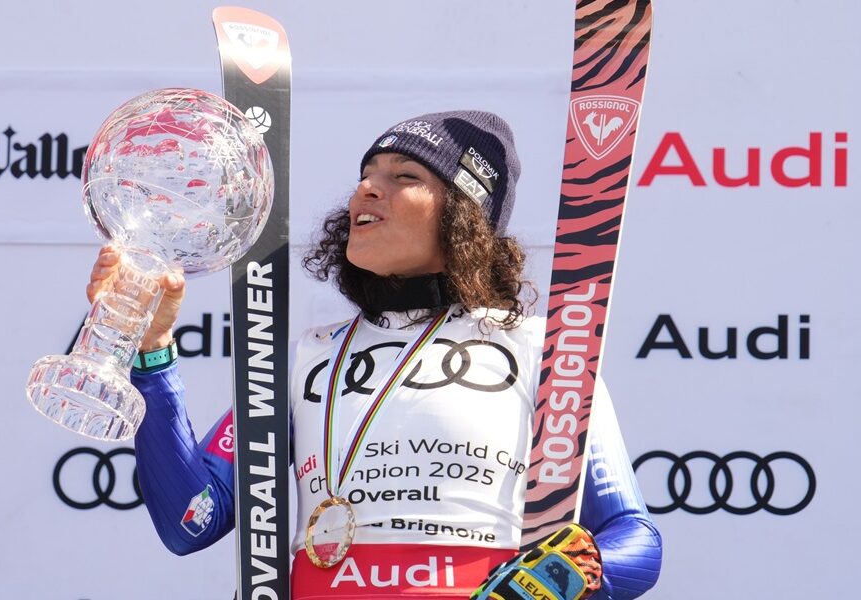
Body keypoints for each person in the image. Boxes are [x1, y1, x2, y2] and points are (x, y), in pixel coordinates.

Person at [88, 111, 662, 599]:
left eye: (404, 175)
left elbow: (633, 540)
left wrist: (550, 584)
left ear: (465, 215)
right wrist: (151, 350)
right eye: (366, 175)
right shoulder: (308, 357)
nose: (367, 189)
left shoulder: (545, 349)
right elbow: (190, 518)